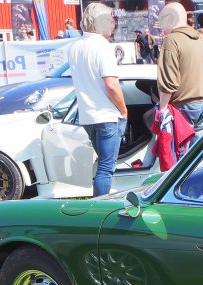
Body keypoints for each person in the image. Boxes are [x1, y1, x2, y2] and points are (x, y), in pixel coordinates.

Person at [67, 3, 127, 196]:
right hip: (107, 114)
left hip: (87, 115)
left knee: (101, 165)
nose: (112, 24)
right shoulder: (103, 47)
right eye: (110, 20)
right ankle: (100, 207)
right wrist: (123, 110)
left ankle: (98, 203)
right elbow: (111, 84)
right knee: (106, 169)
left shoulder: (74, 47)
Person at [157, 2, 203, 144]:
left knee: (181, 156)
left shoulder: (172, 40)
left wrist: (162, 110)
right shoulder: (198, 39)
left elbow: (169, 79)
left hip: (184, 105)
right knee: (197, 156)